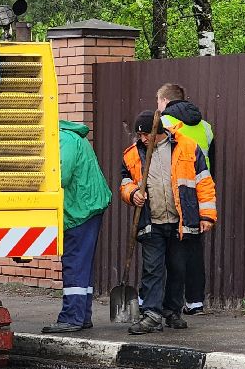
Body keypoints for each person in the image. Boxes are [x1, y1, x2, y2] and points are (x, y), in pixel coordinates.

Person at [120, 109, 217, 334]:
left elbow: (204, 182)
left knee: (177, 269)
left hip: (180, 221)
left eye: (145, 134)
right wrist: (132, 193)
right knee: (153, 269)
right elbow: (125, 182)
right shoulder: (132, 154)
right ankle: (152, 315)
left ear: (158, 131)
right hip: (151, 221)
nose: (142, 139)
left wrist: (207, 216)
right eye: (139, 135)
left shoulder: (188, 147)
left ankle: (172, 311)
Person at [42, 119, 112, 333]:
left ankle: (71, 317)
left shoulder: (63, 139)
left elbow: (60, 175)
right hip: (86, 206)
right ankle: (82, 316)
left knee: (74, 262)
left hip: (80, 209)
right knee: (82, 264)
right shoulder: (70, 137)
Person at [156, 83, 215, 314]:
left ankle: (168, 303)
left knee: (169, 251)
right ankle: (195, 302)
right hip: (200, 192)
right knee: (194, 249)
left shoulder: (164, 125)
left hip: (174, 194)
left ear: (164, 101)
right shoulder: (205, 127)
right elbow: (210, 164)